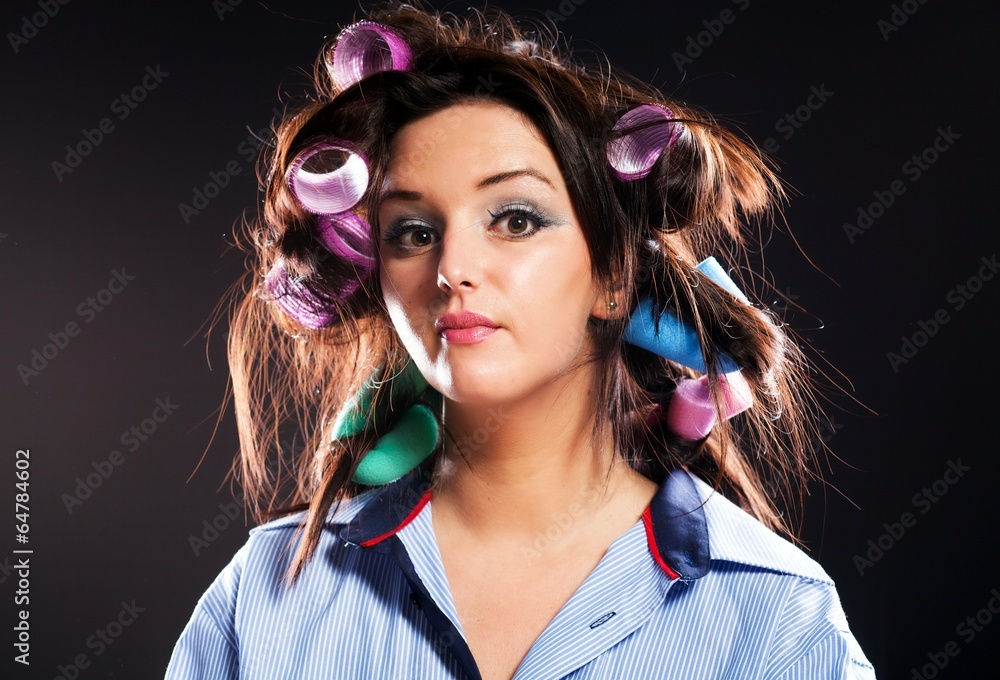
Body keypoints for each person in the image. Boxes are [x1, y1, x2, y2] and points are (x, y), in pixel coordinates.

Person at [166, 2, 876, 678]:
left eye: (514, 219)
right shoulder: (261, 603)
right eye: (413, 232)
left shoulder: (777, 619)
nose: (452, 269)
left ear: (615, 277)